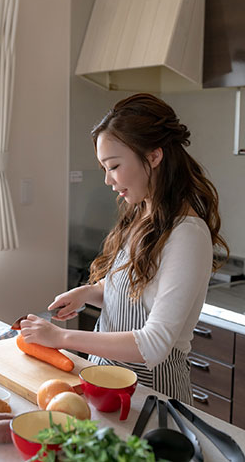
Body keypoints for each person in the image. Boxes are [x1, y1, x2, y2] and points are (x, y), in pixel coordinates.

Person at [20, 93, 229, 404]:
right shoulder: (142, 214)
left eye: (114, 166)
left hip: (152, 399)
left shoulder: (188, 236)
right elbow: (139, 291)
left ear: (155, 156)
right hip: (104, 382)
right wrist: (90, 292)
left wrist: (60, 337)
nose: (107, 179)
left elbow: (153, 344)